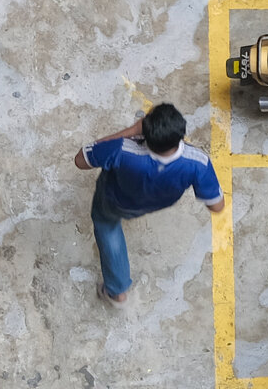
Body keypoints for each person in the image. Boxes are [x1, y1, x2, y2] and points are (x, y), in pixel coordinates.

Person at [73, 103, 224, 304]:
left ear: (145, 130)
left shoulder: (120, 149)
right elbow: (217, 206)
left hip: (114, 200)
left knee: (108, 229)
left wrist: (132, 130)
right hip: (154, 203)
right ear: (180, 133)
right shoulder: (198, 162)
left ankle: (117, 290)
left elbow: (80, 160)